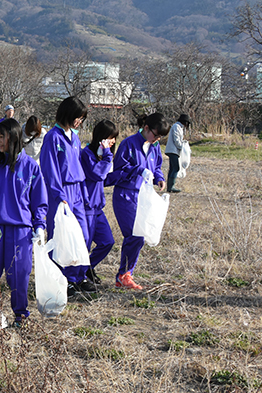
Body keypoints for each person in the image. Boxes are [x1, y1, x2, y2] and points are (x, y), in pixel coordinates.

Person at [0, 118, 48, 326]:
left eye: (1, 136)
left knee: (19, 277)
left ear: (13, 137)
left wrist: (39, 225)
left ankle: (21, 316)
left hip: (20, 231)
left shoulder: (31, 167)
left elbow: (39, 201)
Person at [39, 96, 95, 295]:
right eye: (77, 117)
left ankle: (78, 276)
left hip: (77, 191)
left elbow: (78, 164)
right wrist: (58, 194)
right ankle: (61, 279)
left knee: (82, 235)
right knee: (61, 237)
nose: (79, 121)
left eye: (82, 118)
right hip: (60, 194)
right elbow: (50, 169)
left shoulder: (75, 136)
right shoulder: (52, 137)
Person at [108, 113, 169, 290]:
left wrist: (159, 177)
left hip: (144, 197)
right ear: (146, 128)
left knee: (140, 235)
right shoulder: (128, 144)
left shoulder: (155, 146)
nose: (157, 139)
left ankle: (126, 274)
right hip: (126, 195)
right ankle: (124, 275)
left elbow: (156, 166)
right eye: (156, 134)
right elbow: (119, 168)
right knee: (134, 235)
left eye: (160, 137)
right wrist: (139, 170)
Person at [80, 120, 118, 285]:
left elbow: (104, 179)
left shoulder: (101, 156)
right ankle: (79, 277)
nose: (113, 142)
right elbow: (97, 175)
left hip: (97, 208)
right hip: (86, 208)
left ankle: (88, 267)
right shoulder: (87, 154)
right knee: (84, 245)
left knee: (107, 241)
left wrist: (126, 173)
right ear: (102, 138)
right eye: (111, 138)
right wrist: (108, 156)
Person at [165, 114, 191, 193]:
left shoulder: (179, 127)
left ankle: (169, 187)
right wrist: (182, 147)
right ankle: (171, 186)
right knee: (176, 168)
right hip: (173, 150)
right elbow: (176, 139)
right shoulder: (176, 127)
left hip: (173, 150)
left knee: (172, 168)